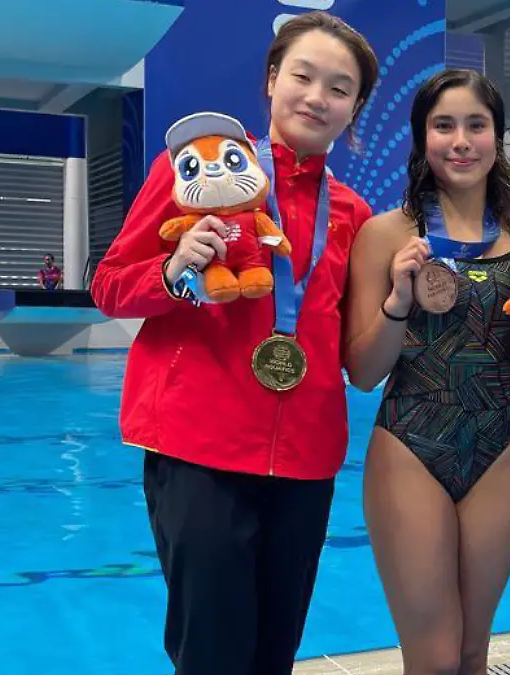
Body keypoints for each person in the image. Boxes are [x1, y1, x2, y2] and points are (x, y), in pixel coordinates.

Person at [89, 12, 378, 675]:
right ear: (272, 81)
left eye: (339, 88)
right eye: (302, 76)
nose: (316, 97)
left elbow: (353, 339)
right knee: (213, 652)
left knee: (274, 653)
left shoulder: (354, 214)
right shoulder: (195, 167)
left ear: (355, 108)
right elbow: (109, 286)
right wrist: (173, 271)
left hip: (304, 458)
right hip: (198, 447)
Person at [344, 69, 510, 675]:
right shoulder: (385, 235)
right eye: (444, 125)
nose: (461, 141)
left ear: (498, 137)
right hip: (410, 444)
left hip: (494, 453)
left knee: (472, 653)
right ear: (421, 138)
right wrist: (399, 299)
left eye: (476, 125)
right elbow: (361, 370)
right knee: (432, 659)